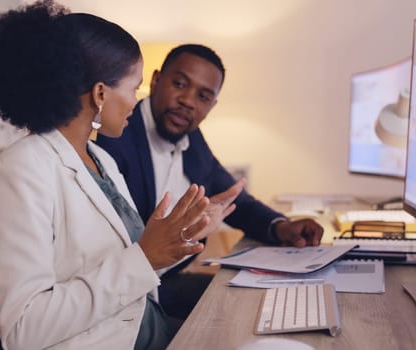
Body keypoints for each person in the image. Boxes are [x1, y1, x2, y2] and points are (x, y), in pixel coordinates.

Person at [0, 2, 230, 349]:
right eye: (133, 87)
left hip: (145, 327)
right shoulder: (21, 171)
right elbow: (23, 329)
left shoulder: (100, 160)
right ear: (100, 94)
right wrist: (145, 256)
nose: (136, 100)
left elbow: (133, 271)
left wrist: (182, 237)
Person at [95, 44, 324, 319]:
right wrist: (185, 232)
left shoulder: (191, 138)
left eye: (203, 96)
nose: (188, 101)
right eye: (179, 84)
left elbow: (233, 198)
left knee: (257, 301)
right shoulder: (116, 135)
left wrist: (283, 226)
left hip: (162, 283)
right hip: (120, 298)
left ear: (211, 105)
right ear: (156, 80)